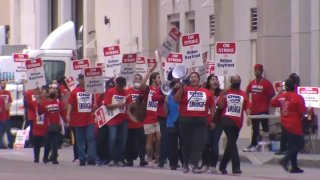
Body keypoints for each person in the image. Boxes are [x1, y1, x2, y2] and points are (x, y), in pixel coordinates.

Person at [174, 72, 215, 173]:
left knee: (198, 144)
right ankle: (185, 163)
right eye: (191, 77)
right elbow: (176, 99)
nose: (193, 78)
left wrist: (212, 119)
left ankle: (194, 164)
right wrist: (181, 89)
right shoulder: (185, 89)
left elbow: (212, 106)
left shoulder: (206, 91)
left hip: (201, 121)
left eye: (195, 77)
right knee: (186, 143)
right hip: (186, 120)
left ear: (199, 79)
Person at [271, 79, 307, 173]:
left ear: (285, 87)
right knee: (300, 144)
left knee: (292, 146)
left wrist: (279, 93)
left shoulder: (282, 97)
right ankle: (285, 159)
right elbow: (302, 111)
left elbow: (272, 103)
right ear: (295, 86)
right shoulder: (298, 97)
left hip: (284, 124)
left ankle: (294, 167)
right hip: (295, 124)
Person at [217, 75, 250, 174]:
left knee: (230, 145)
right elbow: (220, 105)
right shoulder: (226, 92)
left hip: (238, 122)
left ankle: (222, 166)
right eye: (235, 80)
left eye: (238, 80)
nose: (237, 82)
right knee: (232, 143)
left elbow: (247, 106)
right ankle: (236, 167)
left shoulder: (243, 94)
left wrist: (249, 117)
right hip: (226, 119)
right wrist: (223, 96)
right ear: (231, 82)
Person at [243, 64, 275, 152]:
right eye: (255, 70)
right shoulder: (252, 83)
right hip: (254, 111)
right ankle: (254, 144)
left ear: (261, 71)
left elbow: (273, 96)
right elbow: (246, 93)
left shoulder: (267, 83)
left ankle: (268, 145)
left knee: (265, 128)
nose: (256, 72)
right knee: (255, 129)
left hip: (264, 110)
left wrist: (268, 102)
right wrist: (248, 105)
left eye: (258, 70)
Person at [67, 73, 97, 166]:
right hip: (78, 120)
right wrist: (68, 114)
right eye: (81, 79)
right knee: (79, 140)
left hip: (89, 119)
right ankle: (82, 158)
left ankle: (91, 158)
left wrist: (95, 105)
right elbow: (70, 104)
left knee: (91, 138)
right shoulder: (75, 91)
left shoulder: (92, 91)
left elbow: (95, 104)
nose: (83, 80)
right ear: (79, 80)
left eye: (84, 78)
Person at [201, 74, 223, 173]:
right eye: (213, 79)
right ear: (209, 82)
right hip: (205, 121)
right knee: (205, 144)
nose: (215, 81)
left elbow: (222, 108)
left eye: (216, 80)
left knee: (214, 145)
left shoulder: (221, 94)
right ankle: (205, 164)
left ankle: (213, 166)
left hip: (217, 122)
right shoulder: (204, 93)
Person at [103, 77, 128, 167]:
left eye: (122, 87)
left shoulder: (126, 93)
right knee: (112, 139)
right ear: (116, 84)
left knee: (122, 140)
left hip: (123, 119)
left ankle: (120, 159)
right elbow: (107, 106)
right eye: (119, 86)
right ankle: (112, 159)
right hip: (113, 119)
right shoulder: (110, 91)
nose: (120, 88)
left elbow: (130, 105)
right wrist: (118, 105)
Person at [39, 87, 65, 164]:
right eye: (50, 92)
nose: (52, 93)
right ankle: (45, 157)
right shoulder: (44, 103)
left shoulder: (58, 102)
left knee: (54, 142)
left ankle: (54, 158)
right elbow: (40, 112)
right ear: (48, 94)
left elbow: (62, 111)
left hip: (56, 125)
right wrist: (40, 104)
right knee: (47, 142)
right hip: (47, 126)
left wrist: (65, 121)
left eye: (54, 91)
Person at [163, 73, 183, 170]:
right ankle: (173, 163)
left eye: (178, 84)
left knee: (184, 144)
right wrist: (165, 102)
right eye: (174, 84)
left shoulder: (184, 95)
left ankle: (184, 162)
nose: (177, 86)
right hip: (171, 123)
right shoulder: (168, 96)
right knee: (172, 145)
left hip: (183, 122)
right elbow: (165, 112)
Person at [141, 71, 161, 166]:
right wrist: (149, 71)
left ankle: (158, 158)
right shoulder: (148, 89)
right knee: (149, 140)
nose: (160, 80)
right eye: (158, 78)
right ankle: (149, 159)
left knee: (159, 139)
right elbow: (142, 84)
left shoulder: (162, 89)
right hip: (148, 118)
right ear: (153, 79)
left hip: (159, 119)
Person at [96, 78, 114, 166]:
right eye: (108, 87)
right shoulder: (102, 95)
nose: (110, 88)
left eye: (111, 87)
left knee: (110, 140)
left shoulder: (114, 95)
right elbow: (97, 107)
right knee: (101, 140)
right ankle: (101, 157)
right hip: (102, 121)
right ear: (106, 87)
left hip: (112, 121)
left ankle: (109, 158)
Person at [31, 86, 50, 163]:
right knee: (36, 143)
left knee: (47, 143)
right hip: (37, 126)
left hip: (46, 126)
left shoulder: (49, 102)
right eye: (42, 92)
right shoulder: (35, 102)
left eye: (45, 93)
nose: (43, 94)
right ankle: (36, 157)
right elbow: (27, 104)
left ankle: (45, 157)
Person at [152, 80, 167, 168]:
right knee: (164, 138)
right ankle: (162, 160)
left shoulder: (177, 86)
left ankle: (175, 161)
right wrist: (163, 96)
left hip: (173, 116)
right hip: (162, 116)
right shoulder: (162, 87)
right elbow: (154, 98)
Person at [0, 80, 13, 149]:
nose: (3, 84)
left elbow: (10, 102)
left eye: (4, 83)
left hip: (7, 115)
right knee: (1, 131)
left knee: (8, 131)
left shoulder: (8, 93)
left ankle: (11, 144)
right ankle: (1, 145)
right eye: (2, 83)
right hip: (0, 116)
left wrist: (7, 106)